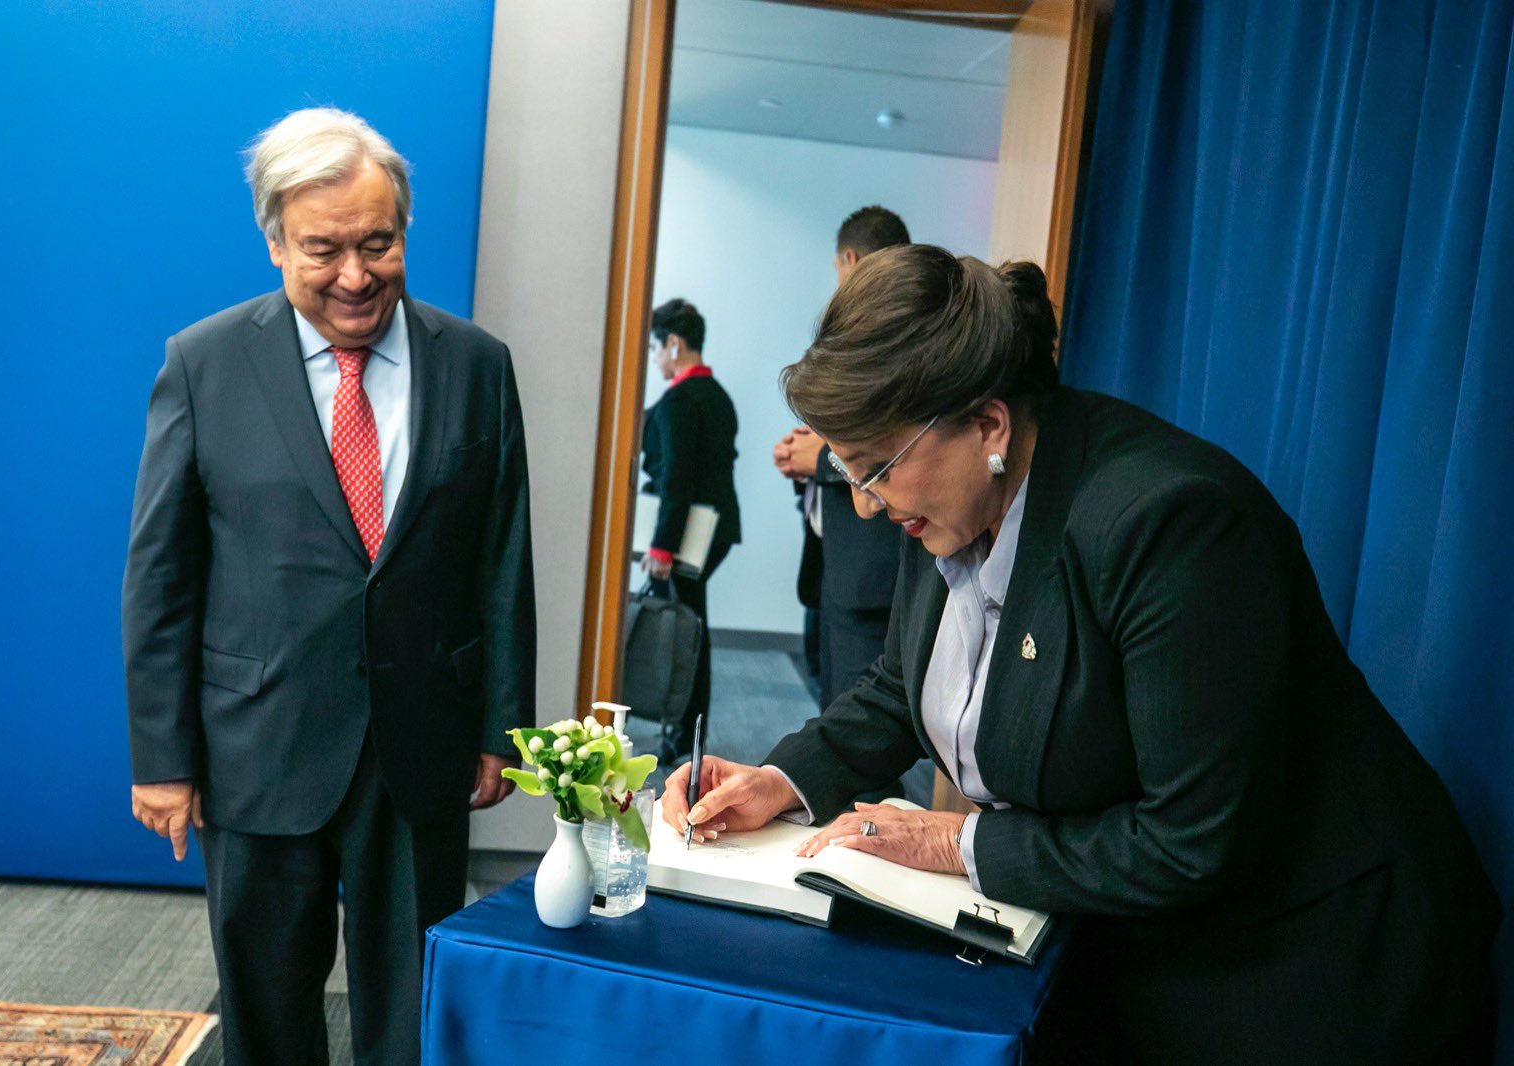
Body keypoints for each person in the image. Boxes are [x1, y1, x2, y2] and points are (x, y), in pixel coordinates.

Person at [665, 245, 1500, 1063]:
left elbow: (1192, 840)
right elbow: (905, 683)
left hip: (1316, 965)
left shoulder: (1167, 525)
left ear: (988, 425)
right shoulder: (951, 499)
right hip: (1140, 950)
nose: (866, 505)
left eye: (874, 469)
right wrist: (780, 780)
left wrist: (957, 843)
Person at [122, 108, 536, 1065]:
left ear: (405, 230)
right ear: (274, 241)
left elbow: (501, 560)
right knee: (265, 1011)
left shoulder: (476, 364)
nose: (356, 275)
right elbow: (161, 576)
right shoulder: (204, 364)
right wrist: (161, 757)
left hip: (420, 742)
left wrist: (500, 727)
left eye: (378, 243)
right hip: (256, 743)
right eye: (324, 250)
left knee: (413, 1011)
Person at [773, 206, 908, 709]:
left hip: (872, 569)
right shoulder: (867, 330)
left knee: (856, 720)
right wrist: (805, 453)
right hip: (840, 562)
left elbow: (897, 445)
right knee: (833, 707)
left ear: (849, 259)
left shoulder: (899, 333)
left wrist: (821, 459)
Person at [640, 298, 740, 762]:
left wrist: (661, 548)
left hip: (687, 534)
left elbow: (676, 479)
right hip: (714, 529)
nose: (654, 358)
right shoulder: (717, 395)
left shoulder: (680, 400)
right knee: (693, 628)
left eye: (655, 348)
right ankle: (687, 733)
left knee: (687, 634)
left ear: (674, 344)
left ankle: (684, 735)